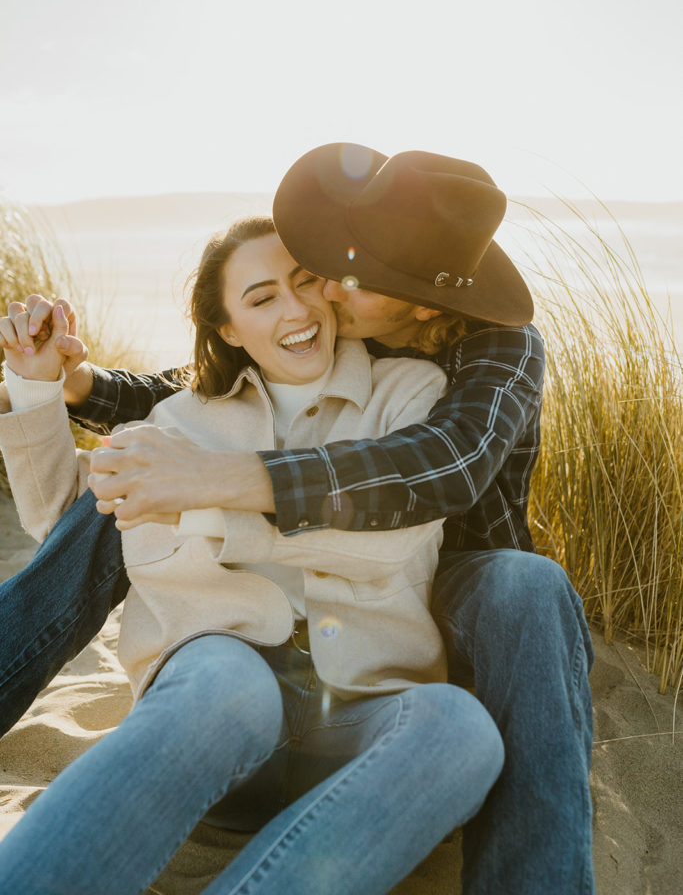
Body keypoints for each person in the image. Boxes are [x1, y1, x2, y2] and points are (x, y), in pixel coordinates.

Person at [0, 145, 595, 895]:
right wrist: (57, 382)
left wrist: (217, 495)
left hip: (446, 587)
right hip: (248, 660)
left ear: (417, 303)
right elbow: (183, 399)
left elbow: (445, 466)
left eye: (332, 279)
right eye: (321, 272)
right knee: (185, 619)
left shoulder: (477, 356)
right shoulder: (281, 356)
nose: (323, 294)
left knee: (524, 589)